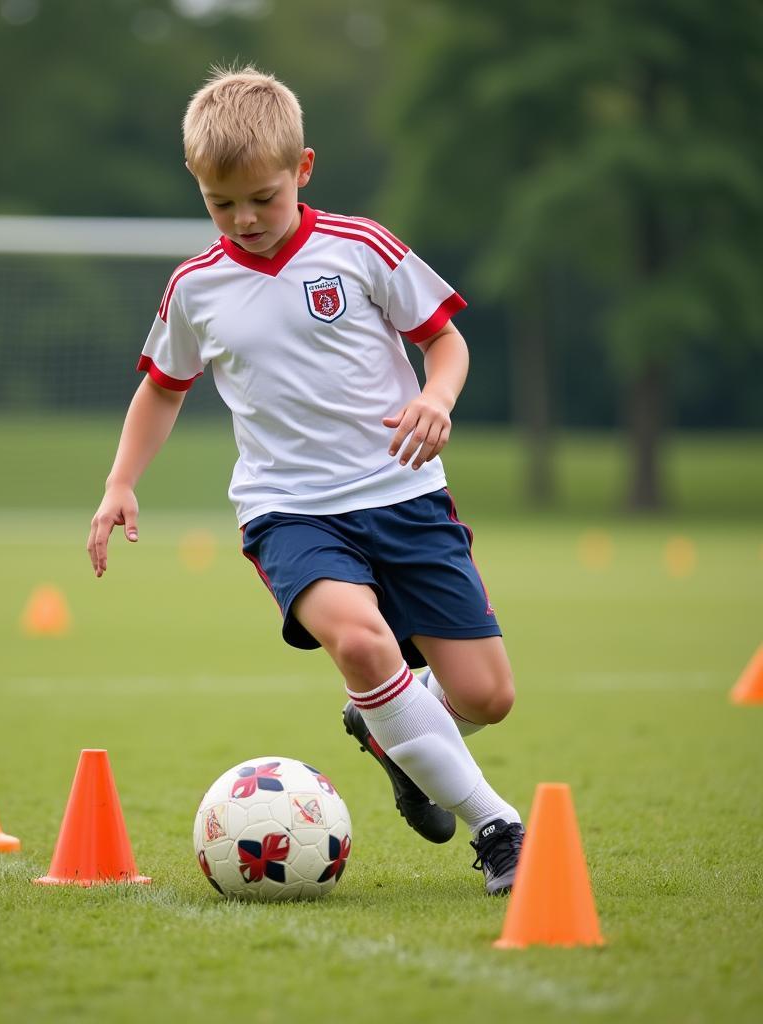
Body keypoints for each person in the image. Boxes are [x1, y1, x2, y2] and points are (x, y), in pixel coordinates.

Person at [87, 65, 525, 894]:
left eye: (264, 196)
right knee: (359, 640)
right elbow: (161, 390)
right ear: (198, 186)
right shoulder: (195, 288)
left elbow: (447, 342)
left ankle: (381, 722)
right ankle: (500, 829)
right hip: (292, 513)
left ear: (305, 170)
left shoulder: (361, 248)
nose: (245, 219)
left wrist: (437, 396)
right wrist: (120, 482)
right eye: (223, 205)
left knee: (487, 695)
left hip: (404, 496)